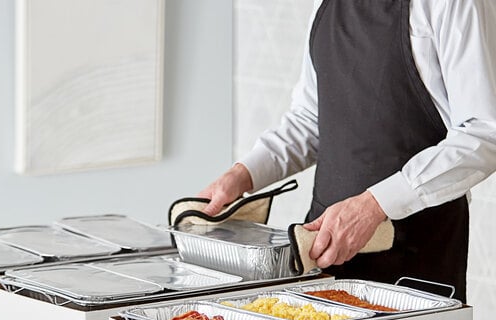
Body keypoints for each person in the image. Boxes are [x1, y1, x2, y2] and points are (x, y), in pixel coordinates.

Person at [197, 0, 496, 301]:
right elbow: (310, 119)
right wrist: (243, 174)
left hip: (416, 255)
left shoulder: (454, 4)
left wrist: (374, 206)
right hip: (324, 252)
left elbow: (484, 133)